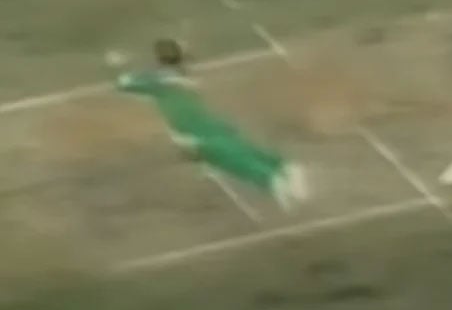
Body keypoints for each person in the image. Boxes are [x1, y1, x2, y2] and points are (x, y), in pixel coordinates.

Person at [104, 38, 308, 211]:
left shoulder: (156, 81)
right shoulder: (176, 74)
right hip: (206, 120)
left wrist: (126, 64)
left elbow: (124, 84)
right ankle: (281, 167)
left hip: (191, 127)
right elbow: (167, 71)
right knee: (239, 147)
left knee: (228, 159)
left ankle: (271, 180)